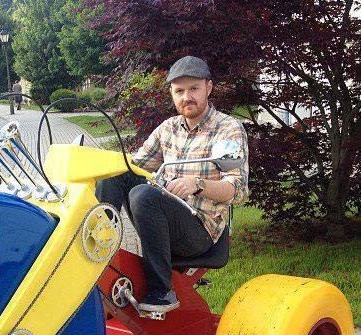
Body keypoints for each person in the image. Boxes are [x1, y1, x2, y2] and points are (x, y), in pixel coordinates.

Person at [96, 56, 248, 313]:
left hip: (200, 231)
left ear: (208, 88)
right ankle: (98, 249)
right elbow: (132, 163)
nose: (186, 97)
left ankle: (162, 292)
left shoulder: (227, 129)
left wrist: (197, 184)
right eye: (179, 91)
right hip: (161, 218)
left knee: (143, 195)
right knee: (116, 173)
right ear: (172, 94)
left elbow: (238, 190)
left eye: (193, 89)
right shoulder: (168, 129)